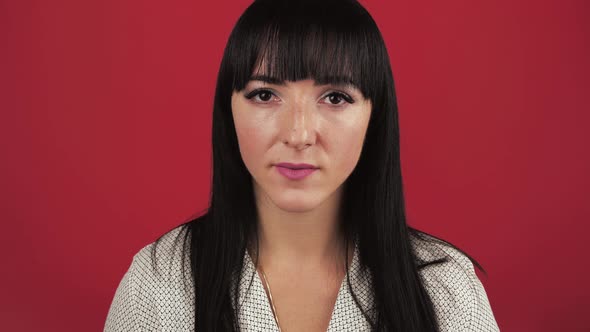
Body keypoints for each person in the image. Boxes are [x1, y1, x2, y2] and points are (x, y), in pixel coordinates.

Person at [104, 0, 500, 331]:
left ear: (373, 117)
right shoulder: (158, 283)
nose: (298, 134)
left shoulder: (445, 288)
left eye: (335, 98)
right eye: (264, 94)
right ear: (229, 111)